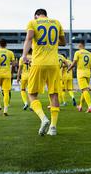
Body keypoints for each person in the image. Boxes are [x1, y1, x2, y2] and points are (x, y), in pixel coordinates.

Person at [21, 8, 66, 136]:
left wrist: (24, 55)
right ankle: (53, 127)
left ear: (36, 16)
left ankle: (43, 118)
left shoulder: (32, 23)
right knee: (54, 94)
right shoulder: (56, 22)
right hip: (53, 63)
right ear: (46, 15)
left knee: (32, 94)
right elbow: (63, 42)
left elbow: (29, 39)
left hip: (38, 63)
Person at [67, 40, 91, 113]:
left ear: (80, 45)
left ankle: (90, 107)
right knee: (84, 90)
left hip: (81, 74)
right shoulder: (90, 54)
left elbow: (73, 63)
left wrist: (68, 69)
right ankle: (80, 106)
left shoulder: (78, 52)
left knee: (85, 90)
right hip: (88, 74)